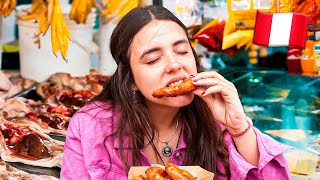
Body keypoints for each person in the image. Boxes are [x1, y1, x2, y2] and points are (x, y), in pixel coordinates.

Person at [61, 5, 291, 180]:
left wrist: (240, 128)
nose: (174, 65)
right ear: (130, 80)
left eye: (182, 51)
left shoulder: (217, 118)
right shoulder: (91, 126)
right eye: (153, 59)